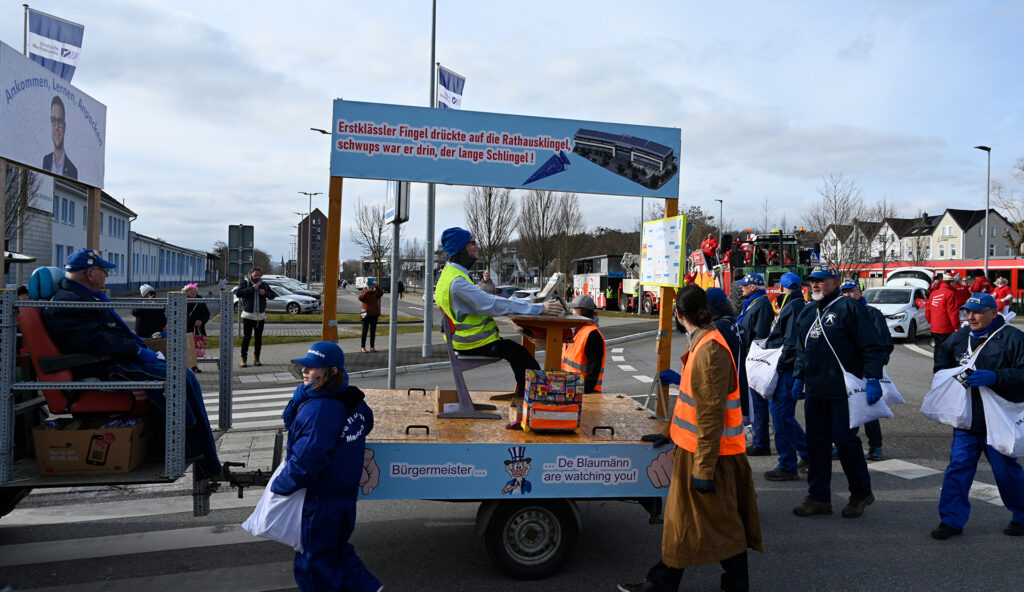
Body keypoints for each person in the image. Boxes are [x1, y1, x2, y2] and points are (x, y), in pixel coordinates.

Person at [623, 285, 762, 592]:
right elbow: (691, 402)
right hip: (696, 452)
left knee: (722, 526)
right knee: (683, 523)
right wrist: (668, 431)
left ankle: (731, 586)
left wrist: (703, 469)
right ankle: (662, 582)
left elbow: (710, 417)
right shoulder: (703, 342)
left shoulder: (710, 350)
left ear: (678, 314)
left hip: (712, 457)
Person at [42, 250, 220, 478]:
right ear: (90, 273)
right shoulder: (68, 303)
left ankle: (197, 450)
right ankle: (183, 446)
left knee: (182, 375)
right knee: (177, 378)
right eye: (104, 271)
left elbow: (104, 335)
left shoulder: (80, 297)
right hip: (104, 367)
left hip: (112, 360)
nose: (107, 275)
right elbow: (94, 342)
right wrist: (136, 350)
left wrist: (141, 349)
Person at [273, 341, 382, 591]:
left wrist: (279, 486)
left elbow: (306, 462)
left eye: (312, 368)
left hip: (321, 501)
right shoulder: (351, 401)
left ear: (332, 371)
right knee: (337, 553)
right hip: (343, 498)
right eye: (305, 366)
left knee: (314, 566)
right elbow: (366, 424)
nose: (304, 371)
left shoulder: (319, 408)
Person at [791, 264, 885, 519]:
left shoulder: (849, 307)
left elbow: (871, 345)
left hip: (843, 391)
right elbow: (801, 348)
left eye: (821, 280)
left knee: (845, 442)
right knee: (816, 444)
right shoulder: (808, 311)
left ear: (835, 282)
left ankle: (861, 494)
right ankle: (818, 497)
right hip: (816, 390)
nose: (815, 285)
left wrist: (873, 377)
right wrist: (799, 377)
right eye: (812, 281)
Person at [435, 227, 560, 413]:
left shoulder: (449, 275)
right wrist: (540, 308)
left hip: (462, 341)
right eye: (472, 243)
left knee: (518, 352)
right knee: (520, 355)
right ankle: (533, 403)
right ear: (460, 248)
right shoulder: (458, 283)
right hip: (472, 343)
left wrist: (525, 304)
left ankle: (524, 397)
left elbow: (486, 302)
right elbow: (492, 304)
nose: (477, 246)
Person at [931, 293, 1024, 540]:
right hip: (967, 419)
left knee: (1006, 472)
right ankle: (950, 521)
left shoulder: (1013, 338)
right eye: (968, 311)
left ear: (994, 313)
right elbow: (942, 361)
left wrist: (997, 377)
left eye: (979, 312)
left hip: (999, 419)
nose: (971, 317)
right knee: (958, 469)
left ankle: (1022, 516)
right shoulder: (961, 336)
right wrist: (951, 376)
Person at [840, 278, 894, 461]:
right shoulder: (841, 313)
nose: (848, 295)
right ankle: (842, 444)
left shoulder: (872, 313)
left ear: (860, 292)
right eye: (844, 292)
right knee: (845, 408)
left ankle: (875, 444)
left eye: (851, 291)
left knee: (869, 407)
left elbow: (885, 343)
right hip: (846, 370)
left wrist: (876, 367)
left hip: (866, 369)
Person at [763, 272, 809, 480]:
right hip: (792, 368)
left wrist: (780, 364)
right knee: (785, 415)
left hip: (787, 369)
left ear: (781, 287)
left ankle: (787, 465)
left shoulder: (792, 307)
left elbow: (790, 341)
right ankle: (807, 452)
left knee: (781, 415)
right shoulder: (800, 304)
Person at [735, 273, 774, 457]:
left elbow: (761, 335)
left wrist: (754, 356)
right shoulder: (752, 303)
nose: (741, 287)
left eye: (744, 285)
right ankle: (760, 440)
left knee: (757, 402)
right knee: (754, 402)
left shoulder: (762, 304)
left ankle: (761, 442)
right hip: (748, 356)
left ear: (753, 287)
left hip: (754, 358)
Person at [561, 294, 605, 393]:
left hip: (584, 392)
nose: (571, 311)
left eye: (574, 309)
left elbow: (594, 368)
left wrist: (585, 390)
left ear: (583, 311)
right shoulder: (575, 330)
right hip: (570, 389)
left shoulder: (592, 334)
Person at [236, 268, 275, 367]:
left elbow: (273, 295)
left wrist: (265, 293)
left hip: (260, 316)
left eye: (259, 275)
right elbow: (238, 293)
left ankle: (257, 359)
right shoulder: (245, 283)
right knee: (247, 338)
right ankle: (243, 359)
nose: (257, 277)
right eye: (255, 275)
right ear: (251, 275)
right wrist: (252, 289)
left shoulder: (264, 284)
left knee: (258, 339)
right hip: (248, 315)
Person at [42, 96, 78, 180]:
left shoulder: (72, 170)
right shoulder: (45, 161)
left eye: (60, 121)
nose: (56, 127)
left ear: (65, 126)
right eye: (53, 120)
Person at [927, 274, 960, 351]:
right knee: (945, 350)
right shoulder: (950, 294)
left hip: (934, 327)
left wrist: (931, 322)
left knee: (937, 348)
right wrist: (957, 327)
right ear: (951, 283)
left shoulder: (934, 293)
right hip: (946, 328)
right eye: (954, 282)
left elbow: (928, 310)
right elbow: (953, 313)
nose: (955, 284)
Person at [185, 283, 210, 374]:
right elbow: (182, 315)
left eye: (195, 291)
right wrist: (193, 322)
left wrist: (202, 321)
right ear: (187, 292)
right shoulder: (183, 301)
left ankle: (194, 366)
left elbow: (207, 313)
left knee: (196, 348)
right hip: (187, 328)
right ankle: (186, 366)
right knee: (187, 347)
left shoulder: (200, 300)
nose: (194, 292)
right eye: (191, 291)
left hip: (199, 329)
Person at [358, 278, 384, 353]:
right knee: (364, 331)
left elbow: (381, 293)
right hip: (365, 314)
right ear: (366, 285)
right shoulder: (364, 292)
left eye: (372, 285)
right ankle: (363, 347)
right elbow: (360, 298)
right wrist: (368, 290)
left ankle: (372, 347)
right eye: (369, 285)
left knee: (373, 331)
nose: (371, 286)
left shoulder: (375, 293)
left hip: (374, 314)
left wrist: (377, 286)